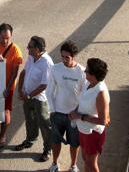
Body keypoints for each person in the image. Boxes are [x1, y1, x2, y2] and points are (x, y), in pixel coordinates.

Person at [47, 41, 88, 172]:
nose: (64, 60)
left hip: (74, 116)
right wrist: (52, 110)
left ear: (74, 56)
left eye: (67, 57)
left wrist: (77, 113)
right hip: (57, 113)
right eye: (62, 56)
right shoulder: (55, 69)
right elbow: (49, 91)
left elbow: (84, 95)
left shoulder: (82, 72)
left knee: (75, 144)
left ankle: (73, 166)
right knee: (55, 141)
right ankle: (54, 164)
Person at [15, 36, 54, 162]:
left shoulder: (47, 62)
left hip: (40, 99)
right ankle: (30, 139)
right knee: (30, 120)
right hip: (27, 95)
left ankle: (48, 149)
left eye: (30, 46)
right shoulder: (31, 57)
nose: (27, 48)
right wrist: (20, 89)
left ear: (37, 49)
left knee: (45, 124)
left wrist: (29, 95)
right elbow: (23, 73)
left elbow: (44, 85)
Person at [69, 58, 110, 172]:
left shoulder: (101, 92)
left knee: (91, 163)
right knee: (85, 159)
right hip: (84, 130)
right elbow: (83, 100)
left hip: (93, 134)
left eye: (87, 70)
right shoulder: (89, 83)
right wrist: (75, 112)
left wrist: (79, 116)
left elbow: (104, 120)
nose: (84, 71)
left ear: (93, 74)